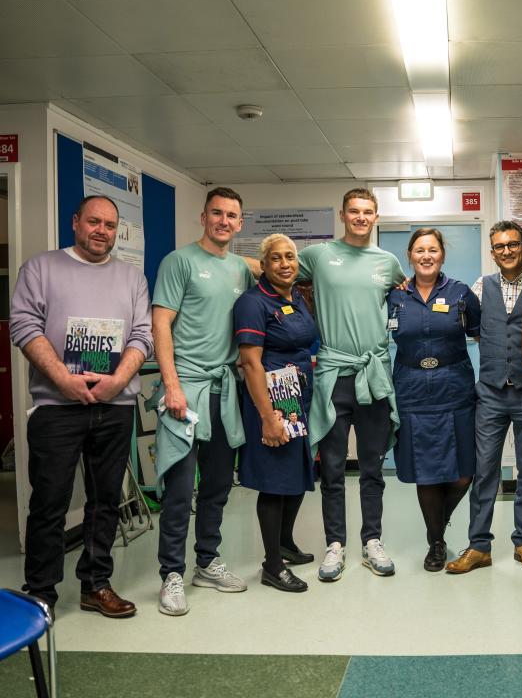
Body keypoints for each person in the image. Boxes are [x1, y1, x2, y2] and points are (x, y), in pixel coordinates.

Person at [10, 195, 152, 619]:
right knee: (50, 501)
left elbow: (141, 335)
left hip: (115, 405)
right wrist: (63, 379)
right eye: (94, 222)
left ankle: (96, 584)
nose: (101, 231)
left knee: (106, 500)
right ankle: (41, 592)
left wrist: (118, 381)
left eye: (110, 225)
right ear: (76, 222)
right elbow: (23, 325)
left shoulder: (132, 278)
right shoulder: (42, 268)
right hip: (57, 406)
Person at [153, 187, 255, 616]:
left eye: (232, 216)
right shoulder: (178, 262)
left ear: (240, 223)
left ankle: (207, 562)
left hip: (223, 391)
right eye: (217, 213)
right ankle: (171, 574)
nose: (224, 221)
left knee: (216, 486)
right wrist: (171, 385)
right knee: (179, 488)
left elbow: (274, 271)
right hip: (187, 389)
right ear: (203, 216)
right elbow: (160, 324)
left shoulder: (240, 269)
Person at [298, 188, 406, 581]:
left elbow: (404, 291)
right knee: (331, 467)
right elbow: (272, 265)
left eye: (368, 212)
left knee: (374, 466)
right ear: (343, 215)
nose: (361, 217)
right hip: (334, 374)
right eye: (354, 211)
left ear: (376, 217)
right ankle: (335, 545)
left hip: (373, 374)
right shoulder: (318, 256)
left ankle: (372, 541)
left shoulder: (388, 262)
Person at [445, 221, 522, 575]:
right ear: (492, 252)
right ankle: (479, 546)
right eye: (500, 246)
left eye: (513, 244)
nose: (506, 251)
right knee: (484, 469)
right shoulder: (479, 287)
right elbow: (467, 328)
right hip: (489, 392)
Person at [387, 229, 482, 571]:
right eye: (419, 250)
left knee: (463, 472)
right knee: (427, 471)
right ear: (410, 255)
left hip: (455, 388)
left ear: (442, 254)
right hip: (412, 389)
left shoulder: (460, 293)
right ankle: (436, 543)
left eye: (433, 250)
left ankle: (437, 524)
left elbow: (482, 334)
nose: (426, 256)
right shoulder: (395, 296)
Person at [235, 234, 320, 593]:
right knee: (275, 480)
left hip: (297, 397)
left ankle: (284, 543)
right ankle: (272, 565)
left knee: (297, 473)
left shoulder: (296, 297)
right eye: (276, 258)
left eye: (290, 257)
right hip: (272, 398)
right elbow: (250, 364)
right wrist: (269, 417)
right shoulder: (253, 303)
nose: (285, 264)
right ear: (263, 265)